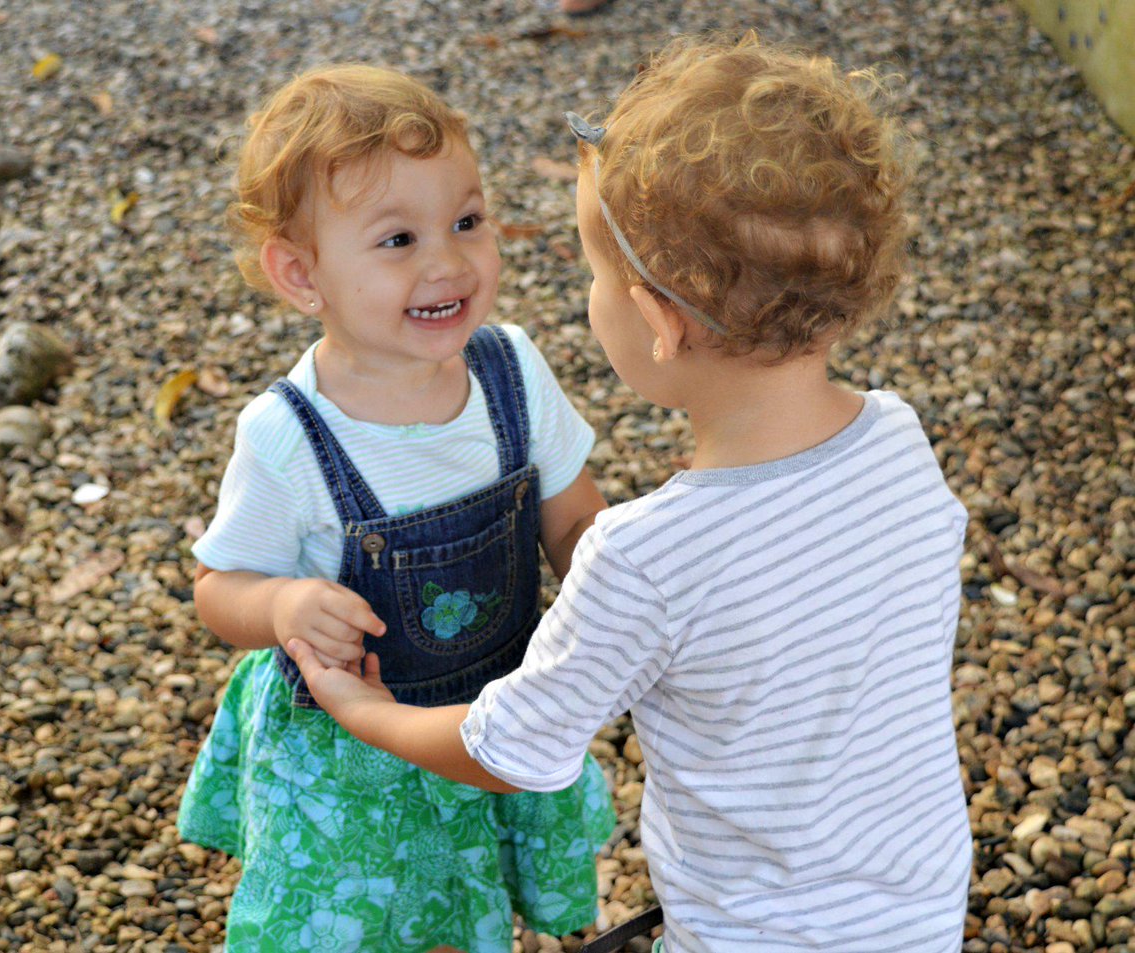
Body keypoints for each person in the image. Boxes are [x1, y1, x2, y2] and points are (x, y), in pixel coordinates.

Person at [287, 33, 972, 953]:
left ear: (656, 320)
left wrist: (363, 709)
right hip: (921, 908)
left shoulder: (647, 557)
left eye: (594, 273)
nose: (588, 297)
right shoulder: (898, 437)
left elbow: (512, 747)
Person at [177, 64, 616, 953]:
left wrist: (617, 595)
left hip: (496, 713)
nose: (447, 262)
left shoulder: (512, 372)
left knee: (467, 895)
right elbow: (218, 588)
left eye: (467, 221)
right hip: (350, 754)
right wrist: (283, 603)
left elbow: (575, 522)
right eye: (398, 239)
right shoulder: (287, 434)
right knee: (356, 919)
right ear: (301, 274)